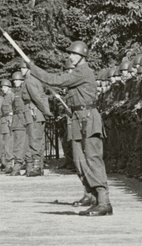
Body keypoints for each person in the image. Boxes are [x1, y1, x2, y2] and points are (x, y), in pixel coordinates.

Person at [28, 40, 111, 216]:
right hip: (77, 118)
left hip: (87, 118)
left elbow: (55, 80)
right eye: (70, 53)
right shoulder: (77, 73)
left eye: (73, 54)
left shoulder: (83, 72)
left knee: (92, 159)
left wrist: (32, 67)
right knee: (80, 161)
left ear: (82, 56)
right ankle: (93, 197)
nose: (70, 56)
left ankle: (104, 201)